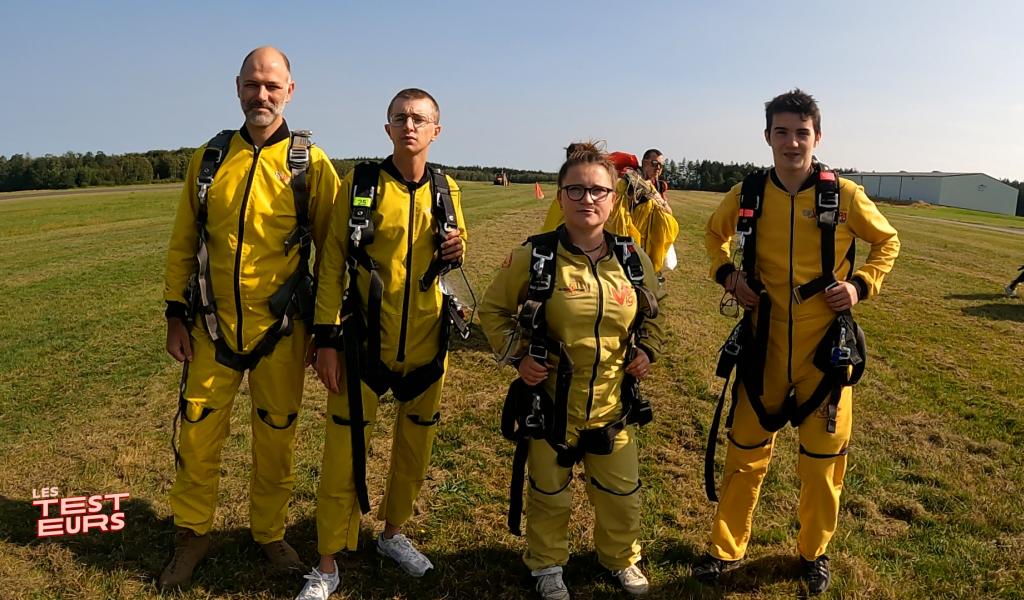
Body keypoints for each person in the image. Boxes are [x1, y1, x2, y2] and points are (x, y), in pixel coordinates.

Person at [697, 89, 900, 595]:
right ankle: (726, 549)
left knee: (823, 462)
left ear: (817, 137)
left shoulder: (845, 195)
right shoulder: (748, 193)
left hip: (825, 350)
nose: (792, 142)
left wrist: (859, 285)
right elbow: (712, 236)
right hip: (762, 345)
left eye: (801, 133)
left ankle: (814, 552)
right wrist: (728, 277)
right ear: (767, 137)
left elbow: (887, 241)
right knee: (744, 452)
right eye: (781, 132)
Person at [160, 46, 342, 590]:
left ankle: (269, 532)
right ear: (236, 87)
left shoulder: (312, 166)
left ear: (290, 91)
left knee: (277, 439)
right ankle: (193, 534)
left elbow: (332, 257)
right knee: (196, 436)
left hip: (282, 334)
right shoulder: (209, 159)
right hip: (209, 331)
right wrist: (175, 313)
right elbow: (183, 241)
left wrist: (327, 332)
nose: (261, 95)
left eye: (272, 86)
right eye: (251, 85)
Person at [295, 88, 466, 600]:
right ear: (387, 128)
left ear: (437, 130)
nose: (409, 126)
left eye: (419, 118)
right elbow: (330, 264)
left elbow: (453, 246)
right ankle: (327, 561)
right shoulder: (361, 183)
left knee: (415, 450)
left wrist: (458, 247)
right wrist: (325, 337)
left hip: (426, 346)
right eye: (400, 118)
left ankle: (393, 533)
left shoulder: (446, 187)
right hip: (362, 344)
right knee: (343, 454)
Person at [480, 142, 665, 599]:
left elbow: (657, 312)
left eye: (598, 191)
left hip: (613, 403)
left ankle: (620, 558)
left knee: (622, 496)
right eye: (576, 190)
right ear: (560, 197)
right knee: (549, 493)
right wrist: (518, 357)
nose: (588, 200)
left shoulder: (631, 257)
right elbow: (492, 310)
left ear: (613, 200)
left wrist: (648, 351)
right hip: (552, 404)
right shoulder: (535, 256)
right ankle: (546, 564)